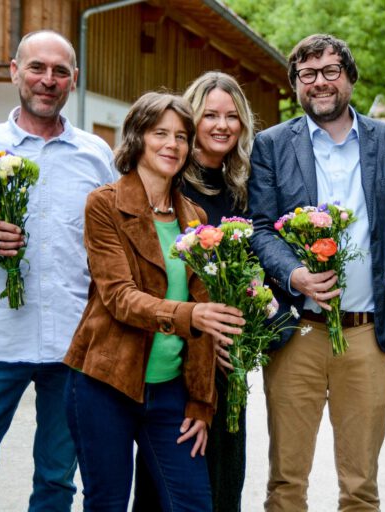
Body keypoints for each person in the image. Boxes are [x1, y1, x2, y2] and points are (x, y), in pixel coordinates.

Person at [0, 30, 115, 510]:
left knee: (56, 480)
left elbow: (113, 245)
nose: (47, 80)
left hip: (72, 347)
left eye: (59, 71)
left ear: (73, 80)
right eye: (37, 68)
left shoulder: (96, 156)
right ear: (15, 72)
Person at [247, 34, 385, 510]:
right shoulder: (270, 145)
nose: (320, 83)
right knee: (286, 481)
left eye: (330, 71)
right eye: (308, 74)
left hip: (367, 335)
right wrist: (293, 275)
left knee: (360, 485)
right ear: (296, 84)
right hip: (297, 333)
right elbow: (261, 229)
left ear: (349, 77)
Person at [62, 91, 245, 511]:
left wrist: (201, 401)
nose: (172, 144)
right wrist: (192, 314)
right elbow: (120, 298)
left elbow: (206, 320)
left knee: (194, 502)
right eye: (160, 133)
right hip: (105, 383)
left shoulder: (195, 217)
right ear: (137, 138)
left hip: (171, 392)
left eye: (181, 136)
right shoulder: (104, 204)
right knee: (107, 502)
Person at [132, 71, 255, 511]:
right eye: (210, 115)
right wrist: (203, 334)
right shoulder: (173, 185)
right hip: (178, 356)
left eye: (232, 116)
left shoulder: (242, 188)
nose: (222, 125)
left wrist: (245, 331)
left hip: (227, 356)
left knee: (224, 475)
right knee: (168, 481)